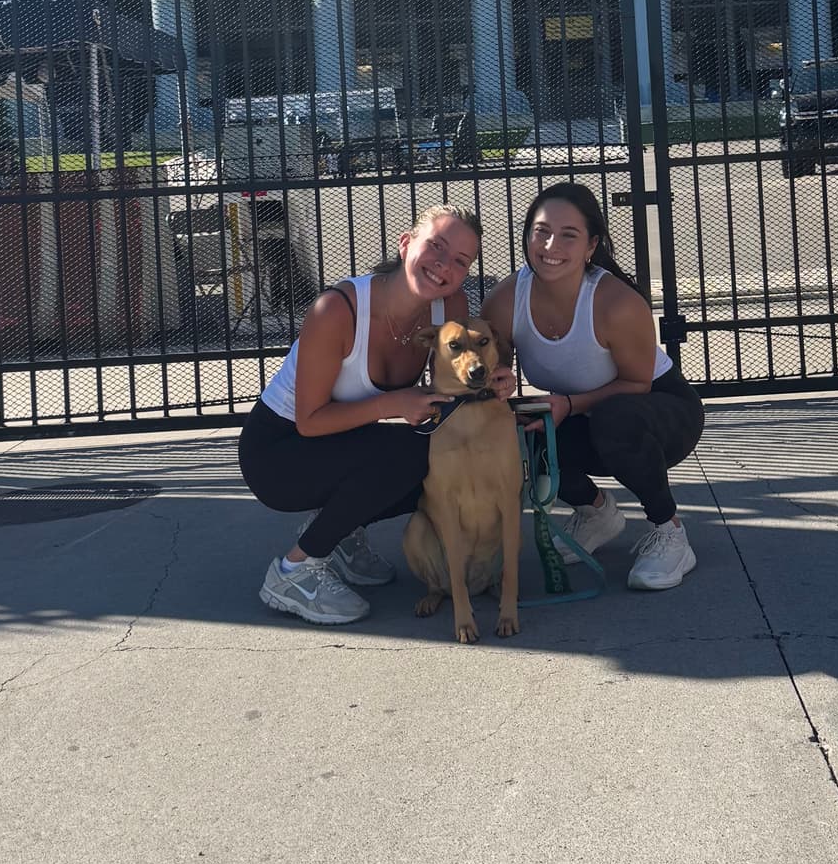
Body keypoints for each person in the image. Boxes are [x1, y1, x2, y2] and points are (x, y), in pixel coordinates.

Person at [238, 203, 509, 625]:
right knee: (406, 457)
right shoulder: (337, 310)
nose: (444, 265)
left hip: (337, 441)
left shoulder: (448, 305)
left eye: (460, 260)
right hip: (279, 451)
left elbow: (456, 380)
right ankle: (294, 570)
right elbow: (309, 421)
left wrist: (492, 378)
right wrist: (394, 404)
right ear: (405, 244)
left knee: (431, 460)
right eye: (436, 246)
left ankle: (337, 533)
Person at [482, 181, 705, 591]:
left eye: (569, 235)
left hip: (659, 410)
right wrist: (502, 376)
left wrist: (568, 404)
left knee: (613, 418)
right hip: (583, 413)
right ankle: (598, 512)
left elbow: (638, 383)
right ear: (527, 235)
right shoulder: (504, 300)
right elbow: (497, 362)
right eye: (541, 231)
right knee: (521, 429)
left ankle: (670, 530)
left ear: (591, 246)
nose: (552, 245)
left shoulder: (615, 303)